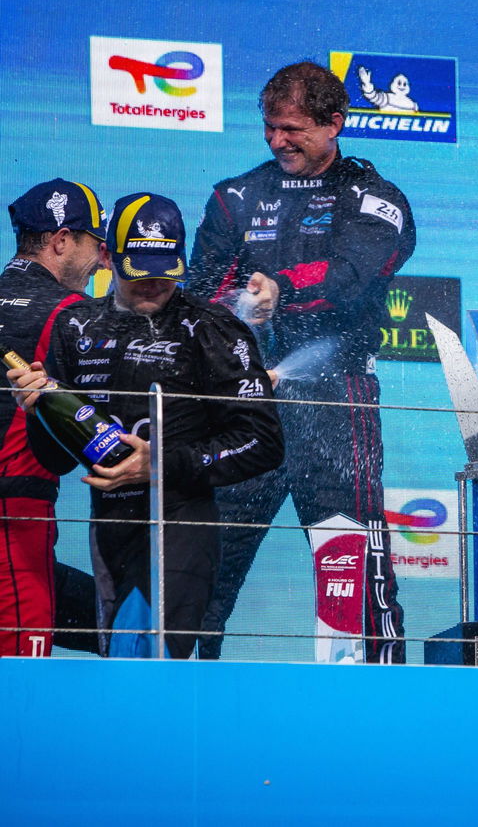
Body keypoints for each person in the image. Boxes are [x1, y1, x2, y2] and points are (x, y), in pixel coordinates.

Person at [188, 61, 415, 663]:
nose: (277, 141)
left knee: (349, 558)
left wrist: (279, 289)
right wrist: (237, 309)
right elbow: (200, 291)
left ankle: (365, 701)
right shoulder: (235, 196)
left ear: (335, 123)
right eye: (269, 128)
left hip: (334, 399)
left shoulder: (376, 199)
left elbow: (352, 276)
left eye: (292, 129)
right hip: (244, 401)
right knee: (208, 560)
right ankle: (183, 696)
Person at [10, 192, 283, 659]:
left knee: (150, 663)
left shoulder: (211, 327)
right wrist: (38, 410)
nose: (154, 283)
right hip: (108, 528)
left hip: (180, 523)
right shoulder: (75, 325)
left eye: (165, 270)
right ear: (107, 256)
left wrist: (158, 464)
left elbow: (263, 441)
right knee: (118, 665)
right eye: (140, 271)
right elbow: (54, 458)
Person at [1, 179, 108, 657]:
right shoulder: (74, 313)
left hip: (20, 527)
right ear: (62, 240)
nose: (104, 259)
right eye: (97, 244)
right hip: (14, 522)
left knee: (108, 620)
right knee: (21, 687)